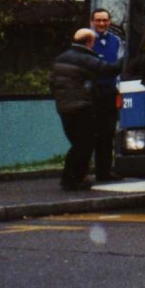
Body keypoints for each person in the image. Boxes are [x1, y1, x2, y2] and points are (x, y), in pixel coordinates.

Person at [49, 28, 122, 191]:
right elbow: (108, 69)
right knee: (85, 143)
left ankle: (71, 178)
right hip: (80, 105)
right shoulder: (84, 58)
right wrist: (126, 60)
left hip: (64, 106)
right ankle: (73, 179)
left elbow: (52, 83)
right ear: (90, 42)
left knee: (77, 143)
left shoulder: (62, 57)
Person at [88, 8, 123, 181]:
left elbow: (120, 64)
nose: (101, 24)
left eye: (104, 20)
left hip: (110, 91)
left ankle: (105, 171)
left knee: (108, 132)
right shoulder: (87, 40)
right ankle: (87, 172)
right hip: (92, 92)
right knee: (92, 133)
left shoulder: (116, 41)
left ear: (109, 22)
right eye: (98, 20)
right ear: (92, 22)